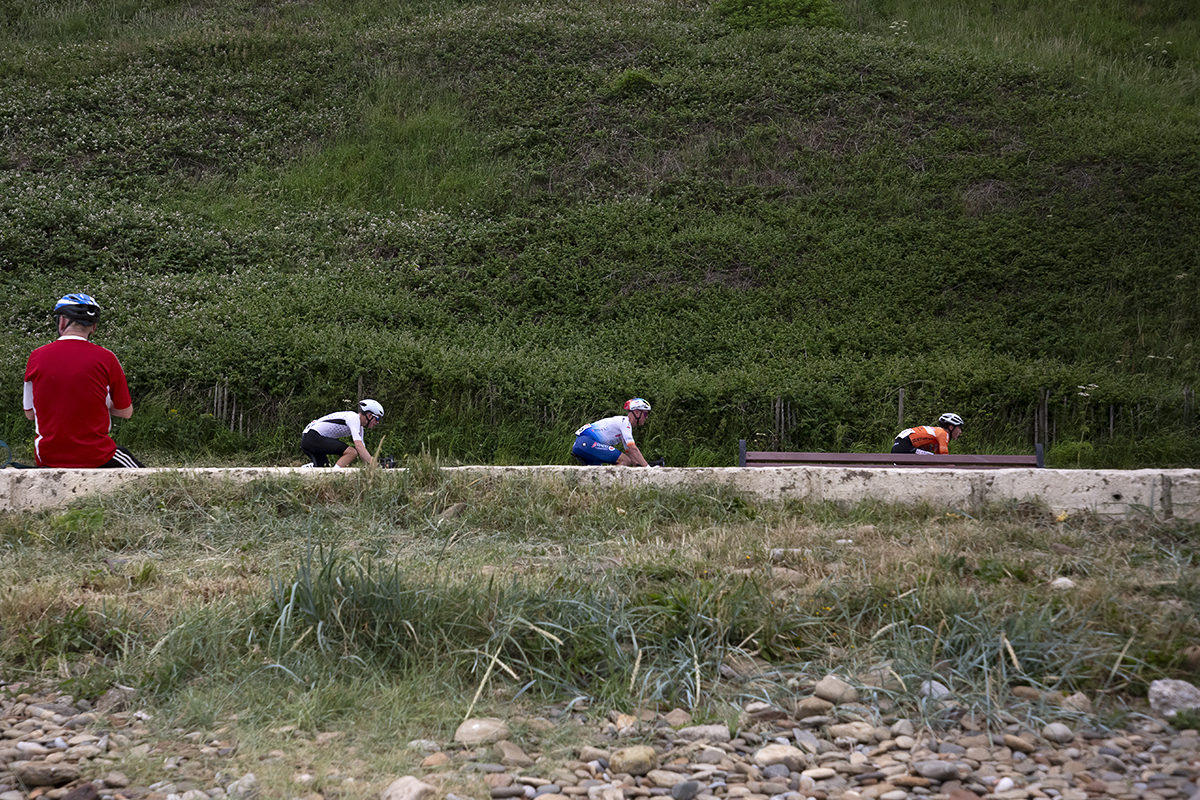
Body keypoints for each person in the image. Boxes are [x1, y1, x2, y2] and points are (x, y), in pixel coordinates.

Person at [23, 293, 144, 468]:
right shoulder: (107, 358)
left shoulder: (36, 357)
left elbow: (30, 414)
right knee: (147, 479)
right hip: (96, 456)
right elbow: (126, 412)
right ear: (93, 327)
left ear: (62, 322)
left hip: (47, 457)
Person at [300, 399, 384, 467]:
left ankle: (303, 470)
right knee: (351, 452)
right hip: (312, 436)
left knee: (323, 467)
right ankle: (334, 476)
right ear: (369, 415)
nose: (377, 422)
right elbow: (358, 447)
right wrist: (374, 465)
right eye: (377, 419)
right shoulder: (354, 418)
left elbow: (363, 452)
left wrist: (377, 464)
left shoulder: (360, 427)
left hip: (310, 437)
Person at [571, 398, 653, 466]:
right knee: (624, 461)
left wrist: (640, 466)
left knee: (597, 479)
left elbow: (630, 453)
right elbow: (633, 449)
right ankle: (614, 485)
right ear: (637, 412)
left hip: (582, 444)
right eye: (645, 414)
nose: (646, 417)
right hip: (586, 442)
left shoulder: (624, 426)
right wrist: (648, 469)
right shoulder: (625, 423)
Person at [892, 413, 964, 455]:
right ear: (951, 427)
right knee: (930, 457)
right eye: (959, 428)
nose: (960, 432)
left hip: (901, 444)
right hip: (905, 444)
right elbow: (945, 459)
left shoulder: (937, 433)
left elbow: (939, 458)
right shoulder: (943, 434)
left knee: (930, 460)